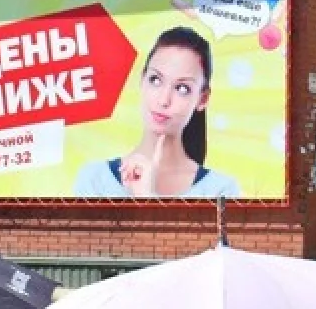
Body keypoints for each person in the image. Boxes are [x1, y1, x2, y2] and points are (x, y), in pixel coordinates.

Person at [72, 28, 242, 199]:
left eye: (182, 88)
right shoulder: (95, 179)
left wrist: (146, 196)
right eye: (155, 80)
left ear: (202, 99)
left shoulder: (220, 190)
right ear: (142, 80)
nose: (164, 100)